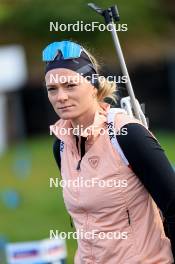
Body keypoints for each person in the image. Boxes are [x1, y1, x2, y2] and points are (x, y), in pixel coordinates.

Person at [43, 40, 175, 264]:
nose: (60, 97)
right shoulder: (61, 145)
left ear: (93, 85)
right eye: (52, 89)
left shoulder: (128, 135)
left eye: (70, 85)